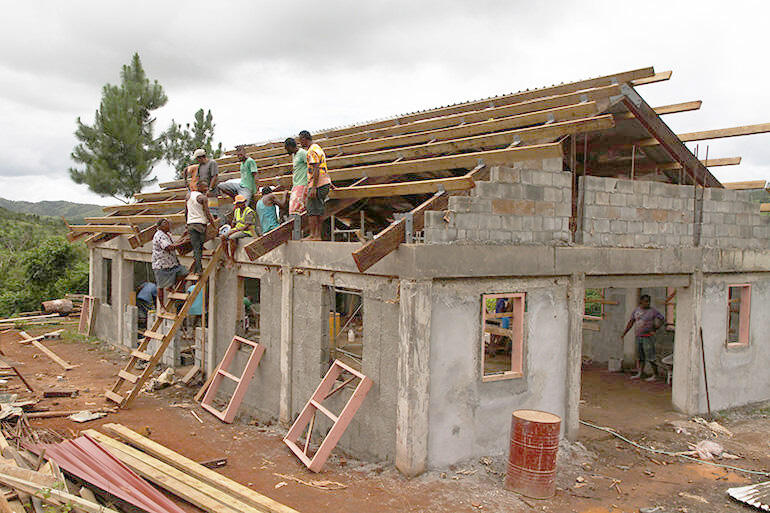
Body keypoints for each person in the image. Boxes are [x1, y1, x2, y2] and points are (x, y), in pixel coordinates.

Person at [621, 294, 665, 381]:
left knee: (651, 357)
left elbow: (662, 319)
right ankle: (640, 373)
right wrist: (624, 333)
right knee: (640, 357)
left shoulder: (653, 311)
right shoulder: (636, 311)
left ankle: (655, 375)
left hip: (648, 337)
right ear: (641, 301)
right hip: (638, 337)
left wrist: (655, 328)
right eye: (645, 301)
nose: (647, 303)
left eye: (648, 301)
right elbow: (631, 322)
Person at [298, 130, 333, 240]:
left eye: (300, 140)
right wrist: (330, 183)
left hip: (317, 184)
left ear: (304, 138)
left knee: (312, 210)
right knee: (318, 211)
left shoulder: (311, 151)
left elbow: (316, 169)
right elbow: (323, 168)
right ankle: (317, 235)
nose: (300, 143)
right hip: (324, 183)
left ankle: (314, 235)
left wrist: (313, 187)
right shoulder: (318, 148)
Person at [151, 219, 187, 313]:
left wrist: (183, 236)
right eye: (165, 224)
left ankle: (170, 286)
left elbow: (174, 243)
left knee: (184, 272)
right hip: (161, 265)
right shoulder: (159, 236)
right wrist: (183, 243)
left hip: (171, 263)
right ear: (160, 227)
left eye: (168, 224)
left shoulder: (168, 234)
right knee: (160, 285)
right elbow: (168, 247)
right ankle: (162, 306)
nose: (168, 225)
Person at [184, 180, 216, 274]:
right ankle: (199, 270)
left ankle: (197, 268)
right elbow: (207, 213)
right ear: (200, 187)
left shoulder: (188, 196)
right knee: (199, 247)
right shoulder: (203, 198)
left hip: (191, 225)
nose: (207, 190)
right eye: (205, 188)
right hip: (200, 225)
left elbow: (186, 211)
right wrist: (214, 225)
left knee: (196, 247)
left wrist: (187, 223)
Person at [222, 194, 257, 267]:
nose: (239, 205)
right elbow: (234, 222)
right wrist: (230, 229)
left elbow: (246, 226)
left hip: (247, 231)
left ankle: (232, 257)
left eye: (240, 203)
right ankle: (227, 257)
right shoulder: (236, 211)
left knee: (232, 237)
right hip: (238, 229)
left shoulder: (249, 211)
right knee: (223, 237)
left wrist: (233, 231)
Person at [284, 137, 308, 215]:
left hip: (302, 184)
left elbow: (311, 165)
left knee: (296, 210)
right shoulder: (294, 155)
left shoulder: (302, 153)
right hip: (296, 184)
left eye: (287, 148)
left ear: (290, 147)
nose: (286, 151)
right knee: (293, 210)